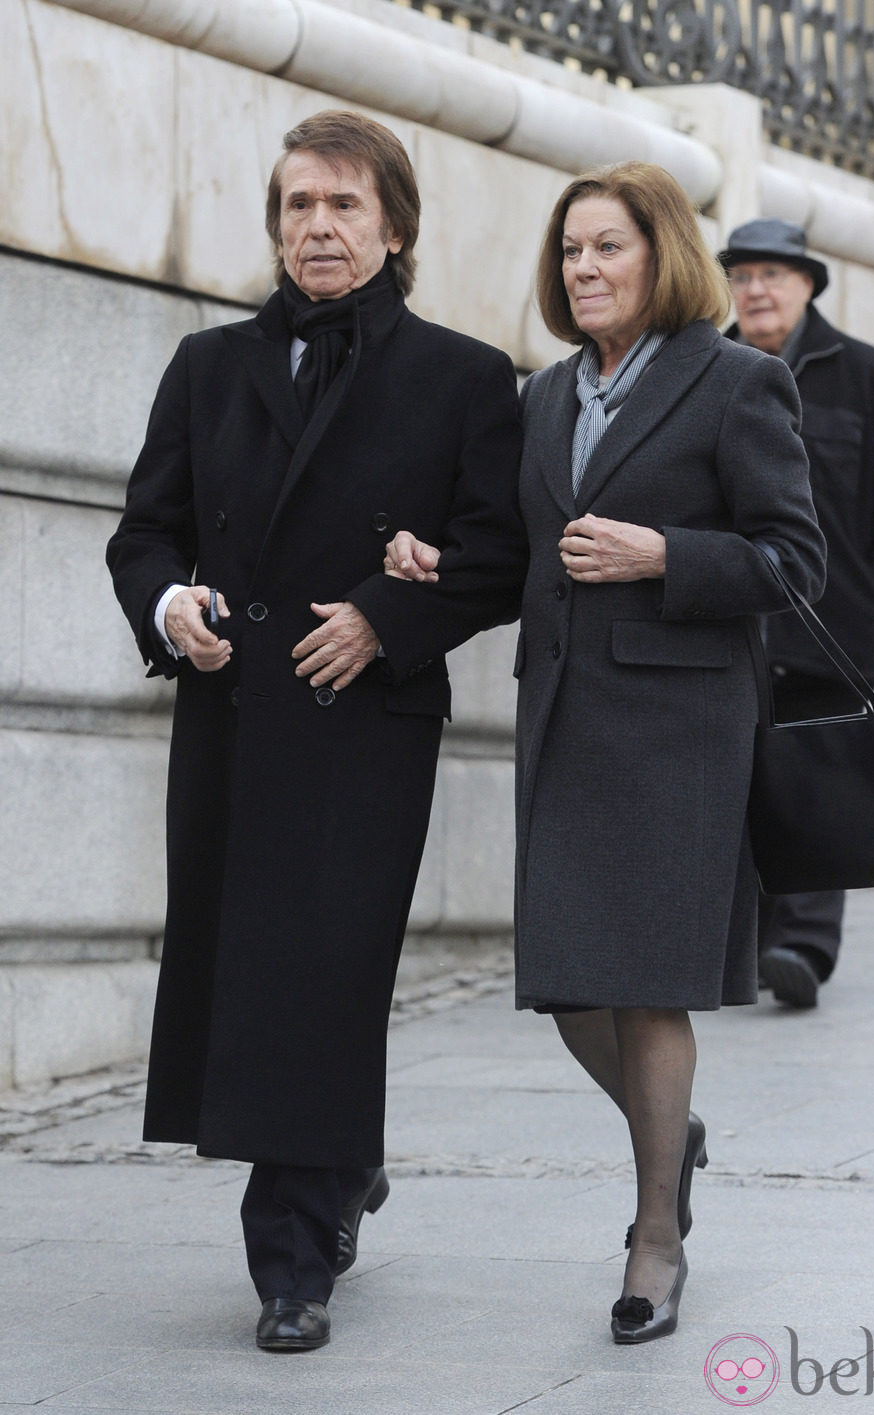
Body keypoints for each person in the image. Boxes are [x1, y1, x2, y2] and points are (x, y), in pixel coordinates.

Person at [106, 109, 527, 1353]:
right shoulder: (207, 365)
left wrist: (388, 614)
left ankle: (292, 1261)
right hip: (232, 715)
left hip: (363, 726)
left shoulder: (462, 374)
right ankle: (334, 1172)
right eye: (298, 205)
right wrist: (171, 603)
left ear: (392, 226)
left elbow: (498, 553)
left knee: (324, 979)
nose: (319, 227)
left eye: (343, 205)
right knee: (248, 977)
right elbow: (145, 532)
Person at [384, 162, 826, 1343]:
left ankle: (654, 1237)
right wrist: (441, 568)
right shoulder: (539, 400)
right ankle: (665, 1136)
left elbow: (794, 561)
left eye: (606, 248)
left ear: (659, 255)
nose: (582, 268)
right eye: (569, 250)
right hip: (567, 721)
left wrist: (666, 556)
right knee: (572, 986)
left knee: (647, 984)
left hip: (682, 730)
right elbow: (522, 560)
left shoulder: (739, 383)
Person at [719, 219, 874, 1008]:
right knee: (735, 782)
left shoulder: (866, 375)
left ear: (809, 284)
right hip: (730, 623)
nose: (756, 289)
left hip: (833, 629)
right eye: (743, 274)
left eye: (772, 275)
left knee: (819, 781)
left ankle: (803, 947)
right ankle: (744, 945)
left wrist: (873, 591)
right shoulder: (703, 367)